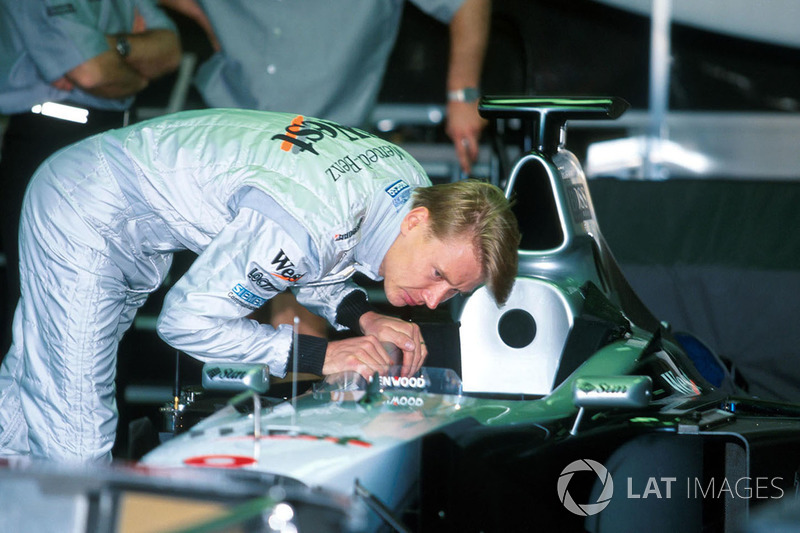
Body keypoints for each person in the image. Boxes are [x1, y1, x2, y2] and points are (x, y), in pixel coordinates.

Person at [0, 109, 520, 462]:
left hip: (112, 202)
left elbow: (318, 259)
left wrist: (363, 314)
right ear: (417, 222)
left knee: (28, 400)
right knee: (77, 435)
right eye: (438, 276)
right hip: (89, 211)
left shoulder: (406, 178)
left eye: (452, 294)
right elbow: (186, 322)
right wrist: (323, 357)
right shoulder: (309, 216)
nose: (433, 301)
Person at [159, 0, 491, 336]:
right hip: (231, 124)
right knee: (219, 315)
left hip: (327, 149)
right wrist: (206, 16)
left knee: (295, 318)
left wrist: (463, 92)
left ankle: (296, 386)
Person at [0, 0, 182, 355]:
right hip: (51, 137)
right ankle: (29, 412)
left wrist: (110, 49)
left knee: (115, 299)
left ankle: (114, 412)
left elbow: (171, 49)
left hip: (116, 137)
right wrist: (134, 71)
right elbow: (94, 74)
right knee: (49, 307)